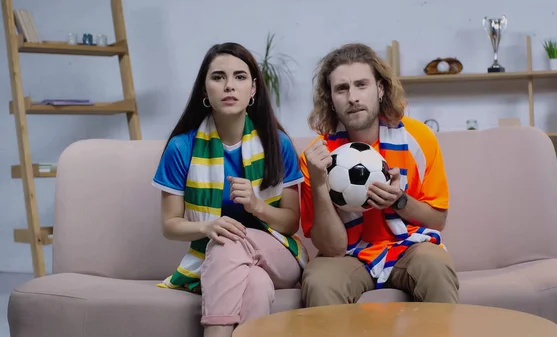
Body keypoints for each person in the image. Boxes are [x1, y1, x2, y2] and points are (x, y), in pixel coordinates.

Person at [151, 42, 309, 337]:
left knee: (229, 241)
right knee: (256, 285)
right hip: (213, 258)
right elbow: (170, 226)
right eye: (218, 77)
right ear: (204, 90)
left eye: (239, 77)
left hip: (279, 254)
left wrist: (256, 205)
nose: (229, 86)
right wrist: (210, 226)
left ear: (253, 90)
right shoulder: (181, 148)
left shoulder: (278, 144)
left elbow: (290, 222)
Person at [299, 43, 459, 306]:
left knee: (436, 267)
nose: (353, 97)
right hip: (349, 255)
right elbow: (333, 248)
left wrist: (399, 201)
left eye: (362, 85)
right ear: (331, 98)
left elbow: (438, 220)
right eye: (342, 88)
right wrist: (319, 185)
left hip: (409, 247)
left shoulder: (419, 139)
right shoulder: (317, 157)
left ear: (380, 89)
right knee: (319, 280)